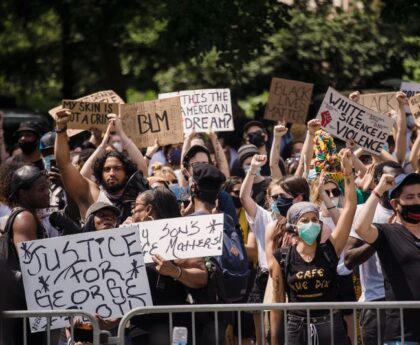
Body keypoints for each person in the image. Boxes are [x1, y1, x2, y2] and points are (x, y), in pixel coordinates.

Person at [270, 148, 356, 345]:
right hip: (296, 328)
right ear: (293, 226)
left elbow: (350, 207)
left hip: (331, 326)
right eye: (305, 220)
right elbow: (277, 303)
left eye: (315, 220)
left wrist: (348, 172)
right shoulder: (281, 257)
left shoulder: (330, 249)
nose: (311, 224)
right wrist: (275, 340)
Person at [128, 187, 208, 345]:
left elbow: (201, 277)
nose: (132, 213)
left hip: (174, 324)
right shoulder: (128, 237)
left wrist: (175, 271)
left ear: (148, 209)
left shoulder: (179, 236)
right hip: (141, 324)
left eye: (135, 207)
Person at [355, 172, 420, 343]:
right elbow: (361, 228)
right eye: (410, 197)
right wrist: (378, 190)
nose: (417, 202)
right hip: (403, 333)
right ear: (395, 204)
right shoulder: (387, 232)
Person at [344, 161, 403, 345]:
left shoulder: (411, 211)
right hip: (377, 302)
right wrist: (380, 236)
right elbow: (349, 259)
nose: (396, 184)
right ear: (376, 182)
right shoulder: (364, 213)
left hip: (408, 300)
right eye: (390, 180)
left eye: (400, 180)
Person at [54, 110, 148, 221]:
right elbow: (65, 166)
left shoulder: (137, 195)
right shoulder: (94, 196)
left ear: (127, 172)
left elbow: (142, 167)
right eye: (107, 169)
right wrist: (60, 129)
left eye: (117, 168)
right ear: (100, 173)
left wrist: (121, 133)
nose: (111, 173)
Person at [0, 164, 51, 345]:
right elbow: (32, 264)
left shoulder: (26, 216)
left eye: (48, 187)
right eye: (41, 189)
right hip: (26, 305)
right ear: (23, 193)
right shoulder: (24, 218)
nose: (48, 192)